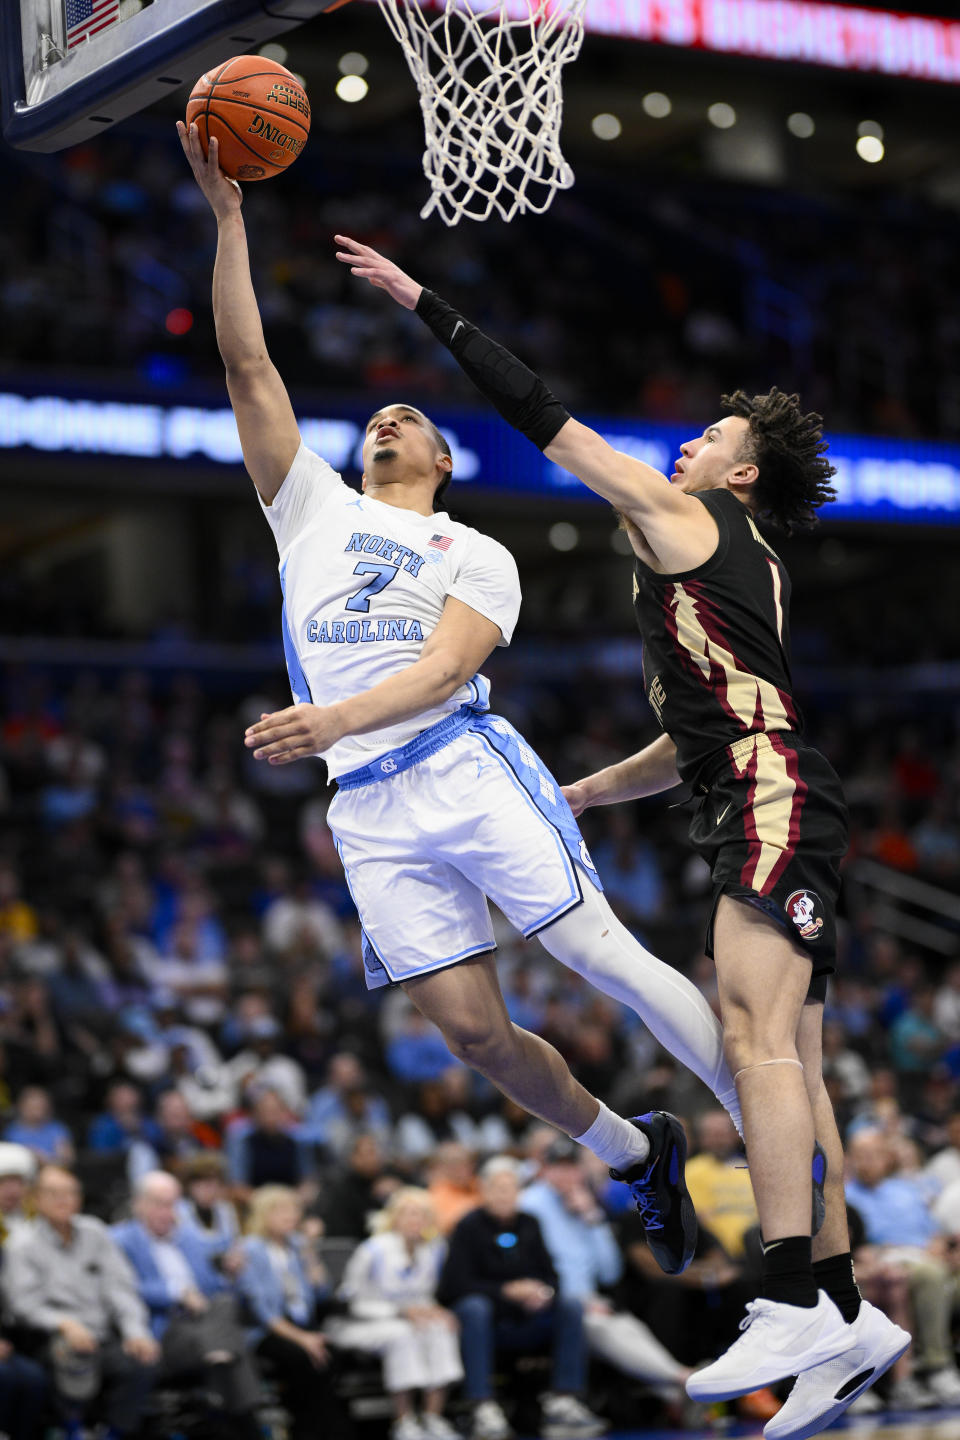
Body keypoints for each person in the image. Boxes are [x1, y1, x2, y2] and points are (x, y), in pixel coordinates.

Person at [334, 233, 913, 1433]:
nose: (688, 443)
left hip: (767, 796)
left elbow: (549, 422)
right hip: (760, 784)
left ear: (739, 479)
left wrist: (423, 303)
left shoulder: (683, 519)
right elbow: (702, 730)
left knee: (753, 1044)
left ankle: (790, 1288)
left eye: (712, 440)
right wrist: (591, 792)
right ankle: (851, 1316)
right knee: (788, 1066)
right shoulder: (742, 569)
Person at [176, 118, 758, 1284]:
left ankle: (775, 1130)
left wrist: (333, 719)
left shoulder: (474, 548)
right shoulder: (311, 513)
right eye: (374, 421)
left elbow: (445, 674)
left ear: (442, 459)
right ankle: (635, 1147)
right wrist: (230, 219)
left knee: (599, 956)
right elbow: (248, 366)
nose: (386, 422)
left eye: (410, 421)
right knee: (475, 1037)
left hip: (460, 762)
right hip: (366, 807)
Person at [439, 1158, 605, 1440]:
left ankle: (564, 1399)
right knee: (475, 1307)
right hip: (488, 1323)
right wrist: (505, 1292)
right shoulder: (468, 1226)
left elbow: (553, 1277)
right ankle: (481, 1404)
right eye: (498, 1188)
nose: (505, 1195)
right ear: (484, 1191)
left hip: (528, 1317)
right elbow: (452, 1287)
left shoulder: (530, 1223)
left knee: (569, 1304)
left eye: (511, 1188)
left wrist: (542, 1292)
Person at [519, 1136, 693, 1400]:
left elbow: (609, 1272)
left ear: (580, 1170)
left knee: (630, 1327)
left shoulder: (586, 1205)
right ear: (545, 1169)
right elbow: (531, 1267)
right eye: (558, 1167)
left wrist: (593, 1220)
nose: (566, 1175)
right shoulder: (529, 1205)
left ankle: (679, 1397)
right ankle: (684, 1379)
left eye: (572, 1167)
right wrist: (579, 1301)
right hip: (551, 1302)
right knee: (602, 1327)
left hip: (591, 1301)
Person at [2, 1164, 159, 1439]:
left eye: (70, 1192)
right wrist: (65, 1324)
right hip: (51, 1336)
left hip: (101, 1332)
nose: (63, 1200)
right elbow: (23, 1304)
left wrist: (136, 1331)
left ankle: (114, 1431)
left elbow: (121, 1288)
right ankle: (71, 1428)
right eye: (53, 1193)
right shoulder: (21, 1244)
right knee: (69, 1357)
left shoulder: (95, 1232)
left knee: (143, 1360)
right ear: (36, 1199)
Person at [112, 1171, 261, 1439]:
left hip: (204, 1322)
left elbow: (213, 1290)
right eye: (160, 1203)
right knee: (229, 1340)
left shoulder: (188, 1239)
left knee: (225, 1303)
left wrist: (229, 1273)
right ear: (139, 1204)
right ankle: (247, 1422)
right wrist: (178, 1292)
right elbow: (123, 1288)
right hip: (165, 1328)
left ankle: (218, 1360)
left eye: (174, 1203)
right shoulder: (120, 1240)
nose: (169, 1212)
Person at [331, 1188, 463, 1440]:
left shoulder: (435, 1249)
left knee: (441, 1328)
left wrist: (435, 1311)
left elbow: (425, 1294)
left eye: (421, 1215)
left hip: (413, 1317)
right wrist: (400, 1311)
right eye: (409, 1215)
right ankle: (403, 1421)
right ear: (394, 1218)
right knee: (402, 1334)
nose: (416, 1221)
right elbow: (350, 1301)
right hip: (365, 1321)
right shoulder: (373, 1250)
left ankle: (433, 1418)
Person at [238, 1185, 352, 1440]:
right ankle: (321, 1430)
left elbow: (322, 1294)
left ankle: (317, 1427)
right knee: (303, 1357)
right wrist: (303, 1338)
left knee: (332, 1355)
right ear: (263, 1215)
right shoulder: (251, 1249)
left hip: (303, 1322)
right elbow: (262, 1312)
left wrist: (310, 1254)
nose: (290, 1216)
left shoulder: (298, 1245)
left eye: (293, 1210)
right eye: (281, 1211)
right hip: (268, 1329)